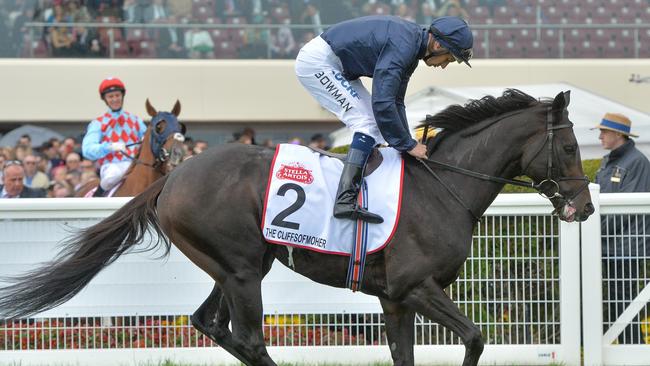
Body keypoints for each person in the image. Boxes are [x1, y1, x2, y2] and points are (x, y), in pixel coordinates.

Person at [295, 15, 473, 223]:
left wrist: (408, 144)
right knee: (367, 123)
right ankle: (345, 200)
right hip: (318, 63)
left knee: (376, 125)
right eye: (449, 58)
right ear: (437, 44)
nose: (445, 65)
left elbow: (397, 102)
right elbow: (382, 102)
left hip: (337, 65)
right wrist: (406, 144)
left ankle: (365, 190)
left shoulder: (411, 48)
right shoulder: (404, 47)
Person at [594, 112, 650, 344]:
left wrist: (592, 230)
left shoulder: (637, 162)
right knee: (615, 303)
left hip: (628, 247)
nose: (599, 137)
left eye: (604, 131)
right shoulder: (609, 161)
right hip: (610, 245)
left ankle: (632, 350)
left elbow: (625, 208)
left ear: (618, 134)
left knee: (624, 302)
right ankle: (625, 350)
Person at [82, 77, 146, 197]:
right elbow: (87, 150)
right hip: (112, 165)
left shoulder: (136, 120)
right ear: (105, 99)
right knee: (113, 176)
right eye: (111, 96)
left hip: (135, 164)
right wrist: (109, 147)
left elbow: (147, 141)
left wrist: (145, 140)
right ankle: (96, 197)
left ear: (122, 96)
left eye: (117, 95)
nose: (115, 99)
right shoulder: (98, 123)